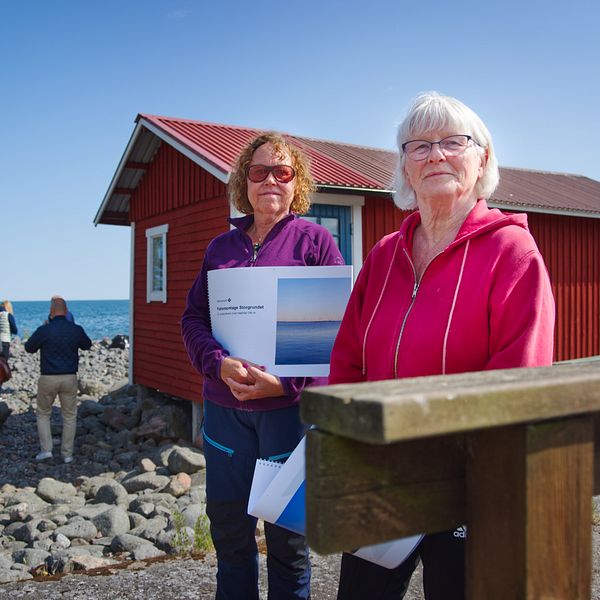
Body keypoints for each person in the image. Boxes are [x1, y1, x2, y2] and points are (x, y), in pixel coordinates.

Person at [329, 92, 555, 600]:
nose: (435, 155)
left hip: (466, 484)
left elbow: (521, 375)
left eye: (454, 142)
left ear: (482, 160)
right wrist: (349, 440)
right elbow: (348, 358)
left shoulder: (512, 251)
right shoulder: (384, 254)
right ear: (405, 168)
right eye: (419, 145)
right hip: (381, 472)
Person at [182, 132, 344, 600]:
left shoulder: (314, 243)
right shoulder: (220, 248)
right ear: (244, 182)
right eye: (258, 171)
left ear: (297, 183)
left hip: (287, 417)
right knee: (231, 536)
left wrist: (285, 384)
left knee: (289, 545)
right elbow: (194, 317)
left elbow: (334, 330)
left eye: (282, 171)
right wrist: (218, 365)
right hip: (225, 414)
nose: (270, 179)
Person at [25, 296, 92, 464]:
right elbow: (87, 345)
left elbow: (29, 348)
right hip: (69, 377)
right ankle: (67, 454)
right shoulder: (75, 329)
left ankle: (46, 450)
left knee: (43, 414)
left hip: (48, 377)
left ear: (50, 313)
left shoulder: (44, 330)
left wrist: (44, 329)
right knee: (69, 416)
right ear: (67, 312)